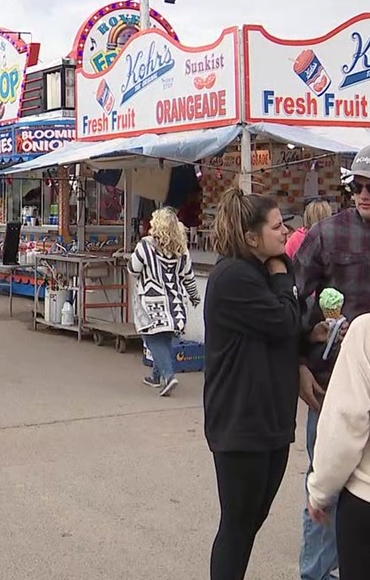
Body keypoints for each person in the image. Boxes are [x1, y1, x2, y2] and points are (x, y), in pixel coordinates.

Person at [295, 142, 370, 580]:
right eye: (356, 185)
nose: (363, 194)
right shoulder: (329, 234)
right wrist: (298, 362)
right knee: (324, 492)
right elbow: (293, 302)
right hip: (333, 391)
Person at [203, 188, 301, 580]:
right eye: (277, 227)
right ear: (250, 237)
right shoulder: (234, 277)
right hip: (241, 423)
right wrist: (282, 276)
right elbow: (284, 321)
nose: (285, 232)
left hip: (270, 420)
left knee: (249, 522)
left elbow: (291, 327)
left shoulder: (261, 271)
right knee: (238, 526)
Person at [128, 207, 200, 396]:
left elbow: (133, 269)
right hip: (175, 302)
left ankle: (168, 376)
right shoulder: (181, 249)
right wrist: (194, 297)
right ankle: (156, 377)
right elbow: (188, 277)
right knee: (165, 336)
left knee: (151, 338)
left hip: (151, 303)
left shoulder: (145, 246)